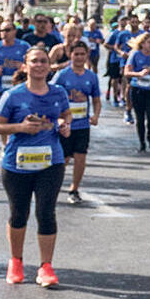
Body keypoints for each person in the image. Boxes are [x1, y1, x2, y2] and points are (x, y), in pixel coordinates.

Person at [0, 45, 72, 288]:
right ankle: (16, 261)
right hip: (17, 163)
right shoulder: (13, 95)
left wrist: (64, 124)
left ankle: (46, 266)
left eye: (43, 61)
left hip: (51, 162)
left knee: (46, 212)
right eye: (34, 61)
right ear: (25, 66)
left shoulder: (58, 93)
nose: (39, 65)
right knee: (19, 213)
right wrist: (20, 128)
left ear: (49, 66)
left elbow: (66, 115)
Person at [52, 40, 103, 204]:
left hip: (82, 125)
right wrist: (58, 117)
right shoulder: (62, 75)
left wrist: (96, 116)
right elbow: (52, 96)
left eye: (82, 54)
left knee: (81, 157)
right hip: (65, 125)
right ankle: (52, 187)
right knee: (64, 159)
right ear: (70, 55)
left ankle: (74, 189)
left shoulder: (91, 77)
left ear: (87, 55)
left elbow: (96, 99)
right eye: (76, 54)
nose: (79, 57)